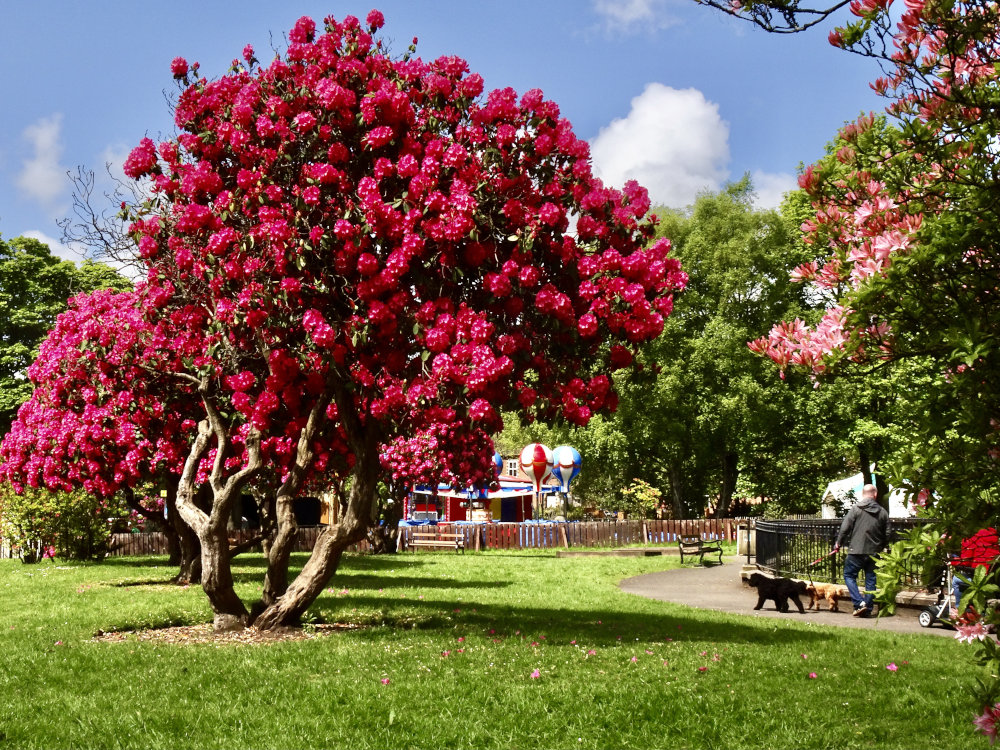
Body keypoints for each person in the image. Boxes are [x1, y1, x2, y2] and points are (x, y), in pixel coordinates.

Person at [833, 484, 889, 617]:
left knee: (849, 575)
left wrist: (838, 543)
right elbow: (888, 533)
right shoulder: (882, 512)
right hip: (874, 552)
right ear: (875, 494)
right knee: (871, 580)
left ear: (863, 494)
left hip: (856, 550)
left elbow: (845, 527)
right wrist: (881, 546)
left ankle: (859, 604)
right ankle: (868, 608)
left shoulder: (856, 509)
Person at [950, 527, 999, 614]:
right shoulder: (995, 539)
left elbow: (965, 562)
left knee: (956, 580)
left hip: (980, 578)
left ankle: (960, 610)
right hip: (991, 578)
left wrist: (952, 561)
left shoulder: (972, 539)